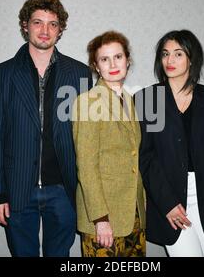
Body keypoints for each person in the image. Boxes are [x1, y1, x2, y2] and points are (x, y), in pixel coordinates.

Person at [0, 0, 92, 257]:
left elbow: (87, 138)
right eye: (37, 22)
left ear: (60, 30)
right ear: (25, 25)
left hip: (65, 190)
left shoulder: (79, 73)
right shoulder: (3, 73)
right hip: (18, 189)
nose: (45, 30)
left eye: (52, 24)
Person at [137, 30, 204, 257]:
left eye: (178, 54)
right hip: (169, 198)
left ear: (191, 58)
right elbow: (145, 156)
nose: (170, 60)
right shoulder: (150, 99)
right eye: (165, 54)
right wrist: (166, 202)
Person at [72, 31, 146, 257]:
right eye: (105, 59)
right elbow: (86, 166)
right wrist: (101, 219)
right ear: (96, 65)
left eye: (118, 57)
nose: (112, 64)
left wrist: (141, 205)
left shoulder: (129, 100)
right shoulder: (87, 102)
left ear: (127, 60)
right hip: (104, 220)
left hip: (132, 213)